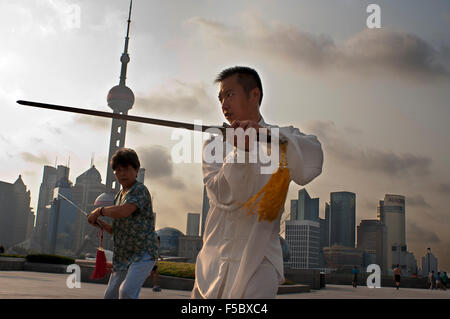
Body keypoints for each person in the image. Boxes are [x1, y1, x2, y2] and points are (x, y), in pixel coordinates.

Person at [191, 66, 324, 299]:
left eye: (230, 94)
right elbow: (221, 194)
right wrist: (241, 152)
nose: (223, 104)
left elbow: (310, 164)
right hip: (214, 259)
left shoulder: (282, 137)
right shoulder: (215, 143)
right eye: (220, 98)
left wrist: (268, 136)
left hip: (260, 258)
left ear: (255, 95)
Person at [88, 148, 158, 299]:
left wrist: (99, 211)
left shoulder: (139, 190)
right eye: (118, 171)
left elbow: (124, 211)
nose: (122, 174)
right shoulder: (119, 196)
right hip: (123, 257)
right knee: (110, 295)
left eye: (126, 169)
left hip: (143, 253)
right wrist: (100, 225)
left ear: (136, 170)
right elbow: (119, 230)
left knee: (126, 292)